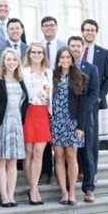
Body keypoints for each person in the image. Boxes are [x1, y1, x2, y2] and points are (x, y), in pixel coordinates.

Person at [51, 46, 86, 206]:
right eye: (62, 57)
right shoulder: (52, 77)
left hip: (72, 123)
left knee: (71, 158)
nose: (65, 60)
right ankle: (63, 193)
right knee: (59, 158)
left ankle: (72, 192)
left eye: (68, 57)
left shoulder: (80, 77)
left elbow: (82, 105)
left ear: (72, 59)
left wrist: (80, 126)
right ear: (58, 60)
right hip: (56, 122)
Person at [0, 49, 28, 207]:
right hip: (2, 123)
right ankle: (4, 196)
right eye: (8, 59)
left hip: (16, 124)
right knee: (1, 161)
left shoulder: (20, 80)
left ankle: (11, 195)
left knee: (13, 161)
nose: (11, 62)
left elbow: (24, 102)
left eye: (14, 60)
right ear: (3, 61)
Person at [81, 19, 108, 186]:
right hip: (77, 101)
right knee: (78, 137)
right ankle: (81, 170)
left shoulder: (103, 53)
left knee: (92, 139)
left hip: (94, 102)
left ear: (96, 32)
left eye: (92, 30)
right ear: (82, 32)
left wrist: (99, 96)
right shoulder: (77, 51)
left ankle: (92, 173)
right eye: (87, 30)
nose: (90, 32)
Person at [68, 36, 100, 203]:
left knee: (87, 154)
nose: (75, 49)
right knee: (69, 155)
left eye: (78, 46)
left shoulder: (92, 69)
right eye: (72, 46)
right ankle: (68, 188)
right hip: (67, 120)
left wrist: (80, 112)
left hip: (86, 118)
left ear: (82, 48)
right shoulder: (64, 68)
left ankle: (88, 188)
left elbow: (94, 93)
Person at [22, 42, 52, 205]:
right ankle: (34, 189)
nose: (36, 55)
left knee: (39, 152)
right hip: (28, 112)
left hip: (42, 113)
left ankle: (33, 189)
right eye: (33, 52)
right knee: (28, 152)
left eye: (39, 52)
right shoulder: (23, 71)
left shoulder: (49, 72)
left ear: (43, 55)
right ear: (29, 54)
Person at [40, 15, 67, 185]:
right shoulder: (37, 47)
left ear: (56, 27)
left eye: (51, 25)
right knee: (45, 135)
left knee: (60, 136)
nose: (49, 28)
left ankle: (61, 172)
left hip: (59, 94)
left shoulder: (63, 46)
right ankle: (45, 171)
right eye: (45, 26)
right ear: (42, 29)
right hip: (42, 95)